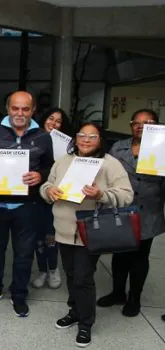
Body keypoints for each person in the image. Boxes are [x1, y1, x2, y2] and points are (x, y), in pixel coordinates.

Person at [40, 122, 133, 348]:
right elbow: (47, 185)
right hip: (63, 230)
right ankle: (74, 311)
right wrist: (48, 191)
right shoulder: (63, 161)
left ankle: (86, 323)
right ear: (75, 138)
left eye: (92, 136)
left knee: (83, 277)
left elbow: (127, 195)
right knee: (71, 275)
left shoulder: (110, 164)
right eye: (82, 135)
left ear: (100, 139)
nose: (86, 140)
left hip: (90, 230)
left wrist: (101, 194)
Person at [0, 91, 54, 318]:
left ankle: (19, 295)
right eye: (15, 108)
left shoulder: (42, 136)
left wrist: (41, 175)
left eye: (25, 109)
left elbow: (51, 167)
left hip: (27, 206)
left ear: (33, 110)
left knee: (24, 253)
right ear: (8, 108)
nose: (20, 113)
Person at [97, 109, 165, 317]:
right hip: (121, 210)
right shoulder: (119, 147)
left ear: (156, 125)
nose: (141, 126)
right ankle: (118, 293)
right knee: (120, 255)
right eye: (136, 122)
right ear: (131, 125)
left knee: (140, 256)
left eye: (147, 122)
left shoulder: (162, 148)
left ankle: (135, 297)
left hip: (148, 211)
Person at [31, 107, 72, 290]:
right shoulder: (33, 139)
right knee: (37, 235)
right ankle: (42, 270)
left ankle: (54, 268)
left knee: (51, 234)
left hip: (56, 196)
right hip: (33, 194)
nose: (53, 123)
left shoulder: (69, 146)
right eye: (50, 118)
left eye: (58, 121)